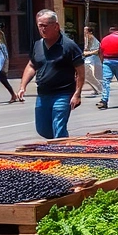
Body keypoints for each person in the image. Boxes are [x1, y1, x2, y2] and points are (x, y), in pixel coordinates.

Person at [16, 10, 84, 139]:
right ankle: (60, 146)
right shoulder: (37, 45)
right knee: (43, 130)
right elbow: (31, 65)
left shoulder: (69, 46)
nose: (42, 29)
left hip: (63, 94)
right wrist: (22, 86)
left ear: (56, 26)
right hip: (43, 94)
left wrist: (77, 94)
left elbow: (80, 72)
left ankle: (63, 154)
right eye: (39, 25)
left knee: (59, 127)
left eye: (45, 26)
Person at [79, 26, 102, 98]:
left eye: (85, 30)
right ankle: (98, 89)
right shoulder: (89, 38)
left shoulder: (89, 37)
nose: (84, 32)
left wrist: (87, 53)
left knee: (88, 75)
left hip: (90, 59)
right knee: (89, 75)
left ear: (90, 32)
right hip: (91, 58)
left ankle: (100, 89)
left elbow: (96, 49)